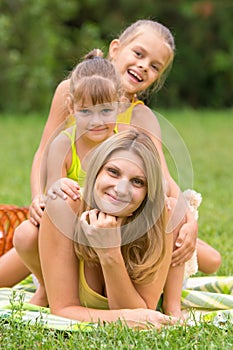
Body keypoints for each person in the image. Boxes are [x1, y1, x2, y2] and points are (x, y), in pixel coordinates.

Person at [34, 130, 184, 327]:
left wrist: (110, 251)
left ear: (148, 193)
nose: (121, 189)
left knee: (186, 228)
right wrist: (130, 318)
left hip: (170, 257)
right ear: (96, 171)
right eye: (113, 172)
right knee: (25, 236)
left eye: (137, 182)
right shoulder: (64, 206)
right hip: (45, 252)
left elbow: (143, 312)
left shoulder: (158, 219)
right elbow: (62, 309)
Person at [11, 49, 122, 292]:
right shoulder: (64, 145)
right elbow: (54, 190)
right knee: (24, 236)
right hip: (65, 230)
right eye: (86, 112)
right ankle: (49, 288)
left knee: (211, 260)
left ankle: (69, 291)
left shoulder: (122, 146)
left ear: (118, 107)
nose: (96, 121)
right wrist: (42, 196)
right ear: (71, 108)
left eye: (105, 111)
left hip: (102, 232)